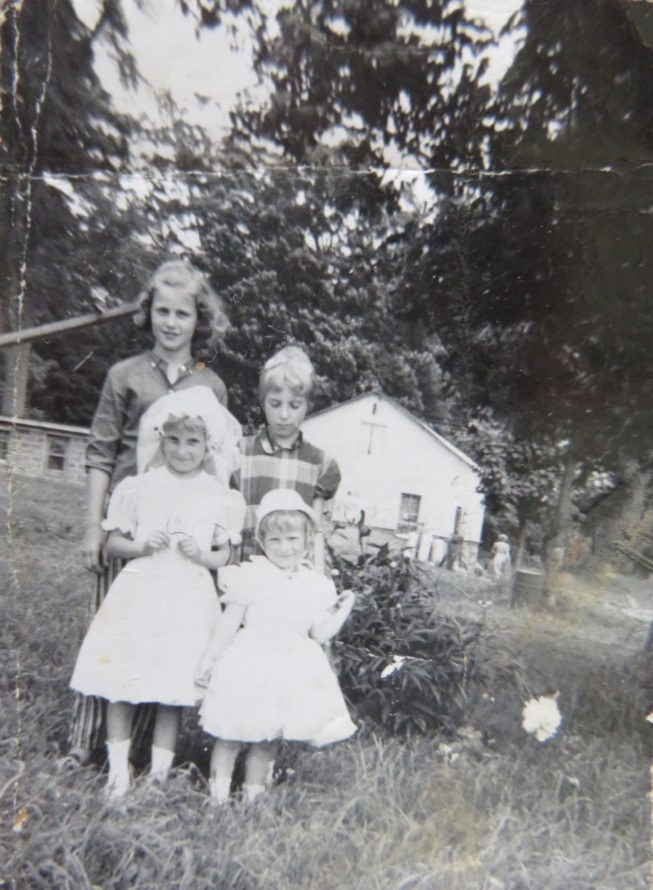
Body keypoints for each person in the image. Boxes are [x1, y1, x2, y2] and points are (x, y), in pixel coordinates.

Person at [68, 259, 230, 767]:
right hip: (129, 523)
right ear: (148, 313)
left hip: (179, 537)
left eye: (183, 313)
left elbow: (219, 464)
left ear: (198, 320)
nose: (171, 322)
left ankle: (142, 749)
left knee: (165, 640)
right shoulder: (125, 375)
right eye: (162, 311)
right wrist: (94, 525)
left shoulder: (211, 384)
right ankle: (84, 742)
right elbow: (99, 453)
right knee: (112, 634)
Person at [69, 390, 246, 799]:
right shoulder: (140, 487)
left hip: (188, 598)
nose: (182, 451)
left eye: (193, 442)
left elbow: (225, 554)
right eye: (173, 440)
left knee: (174, 690)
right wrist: (142, 545)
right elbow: (113, 543)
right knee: (122, 681)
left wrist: (203, 553)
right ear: (159, 440)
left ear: (208, 447)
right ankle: (118, 772)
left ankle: (158, 776)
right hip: (141, 593)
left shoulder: (217, 495)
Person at [196, 489, 356, 805]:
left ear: (307, 540)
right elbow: (231, 620)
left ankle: (253, 801)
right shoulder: (251, 575)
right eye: (275, 541)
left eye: (293, 539)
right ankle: (217, 799)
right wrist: (210, 658)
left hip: (287, 669)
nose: (284, 548)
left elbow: (320, 633)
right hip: (251, 661)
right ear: (262, 541)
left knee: (267, 737)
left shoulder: (315, 585)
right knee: (231, 731)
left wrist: (343, 609)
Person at [231, 345, 341, 570]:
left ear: (308, 406)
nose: (283, 414)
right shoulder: (239, 452)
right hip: (247, 571)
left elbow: (317, 531)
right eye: (275, 404)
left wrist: (317, 580)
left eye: (294, 405)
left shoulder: (319, 463)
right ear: (263, 402)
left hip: (294, 579)